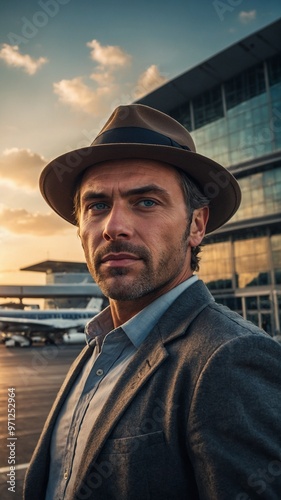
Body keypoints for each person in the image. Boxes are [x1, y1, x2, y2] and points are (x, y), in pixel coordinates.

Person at [24, 104, 281, 500]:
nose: (113, 227)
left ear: (196, 225)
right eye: (97, 206)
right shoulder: (98, 347)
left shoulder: (229, 357)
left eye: (145, 202)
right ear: (80, 229)